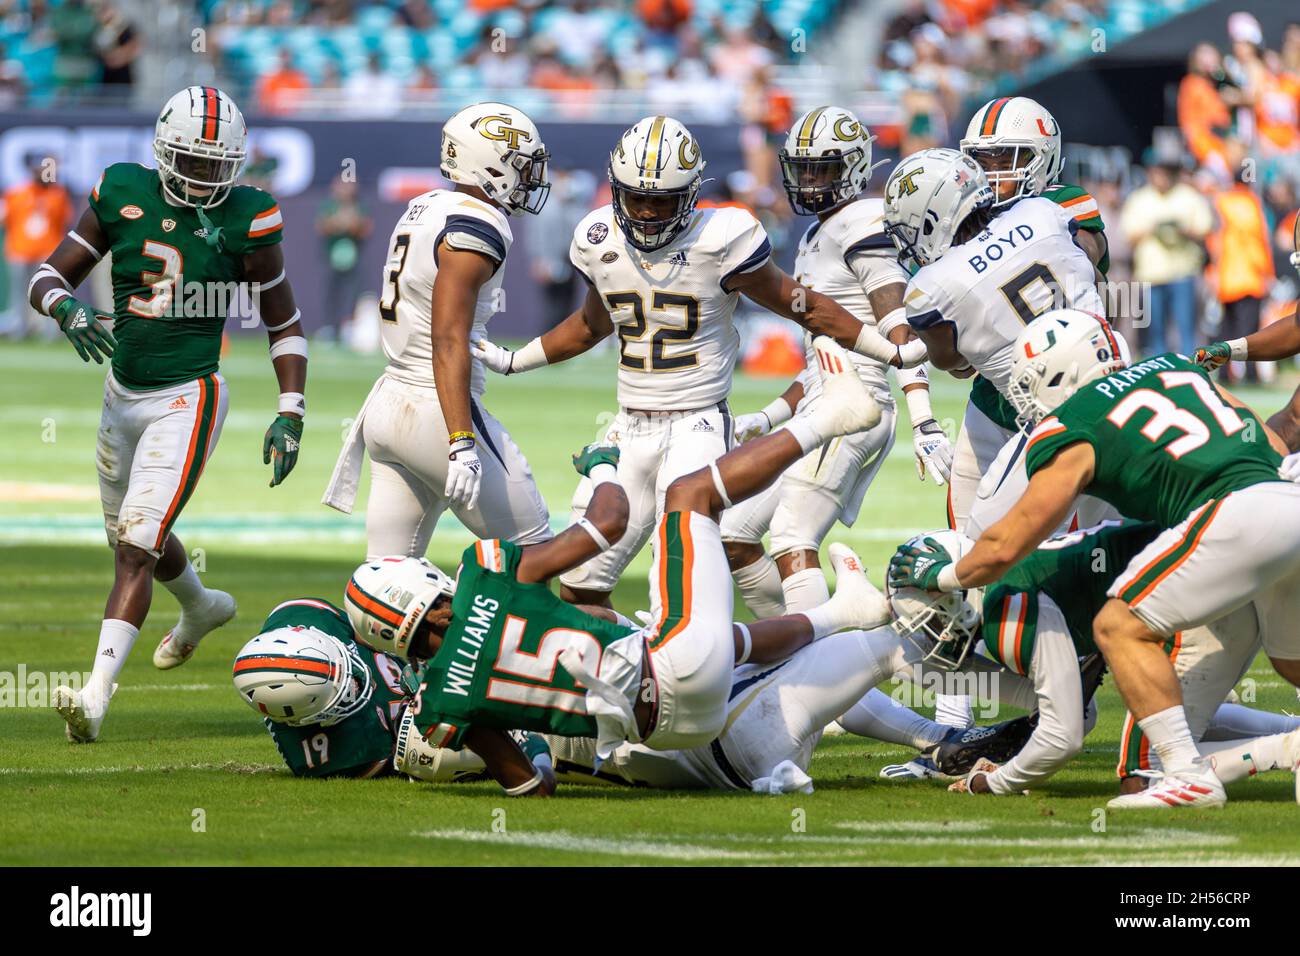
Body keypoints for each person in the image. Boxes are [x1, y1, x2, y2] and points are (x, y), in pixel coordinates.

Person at [346, 337, 893, 794]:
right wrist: (603, 467)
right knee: (689, 494)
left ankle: (842, 612)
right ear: (417, 589)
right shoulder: (487, 571)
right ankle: (829, 417)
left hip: (664, 732)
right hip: (677, 671)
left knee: (714, 638)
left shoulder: (441, 705)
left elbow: (529, 786)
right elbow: (610, 522)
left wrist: (537, 750)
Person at [472, 115, 927, 612]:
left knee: (679, 579)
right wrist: (516, 361)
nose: (645, 212)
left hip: (698, 425)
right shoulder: (598, 237)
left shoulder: (723, 237)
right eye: (636, 197)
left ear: (690, 195)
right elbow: (589, 325)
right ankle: (619, 675)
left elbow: (805, 305)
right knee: (582, 579)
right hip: (629, 425)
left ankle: (739, 663)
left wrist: (891, 352)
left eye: (661, 199)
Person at [888, 308, 1300, 809]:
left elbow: (1009, 543)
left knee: (1118, 627)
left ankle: (1191, 775)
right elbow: (1264, 432)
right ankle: (1275, 748)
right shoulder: (1173, 365)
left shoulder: (1074, 421)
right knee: (1291, 665)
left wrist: (947, 575)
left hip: (1230, 520)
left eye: (1029, 384)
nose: (1026, 400)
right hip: (1285, 496)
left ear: (1060, 372)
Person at [31, 87, 308, 742]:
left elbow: (284, 320)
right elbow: (49, 274)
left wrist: (290, 409)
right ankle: (202, 605)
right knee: (132, 540)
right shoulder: (119, 192)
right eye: (195, 160)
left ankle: (96, 696)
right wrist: (64, 308)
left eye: (219, 164)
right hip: (121, 392)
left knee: (136, 545)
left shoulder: (250, 217)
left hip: (190, 396)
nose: (208, 176)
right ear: (162, 151)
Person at [721, 106, 949, 625]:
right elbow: (822, 359)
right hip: (827, 399)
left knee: (792, 536)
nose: (809, 180)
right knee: (734, 533)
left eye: (821, 169)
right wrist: (769, 417)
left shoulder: (863, 221)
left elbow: (901, 334)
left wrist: (927, 420)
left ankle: (822, 674)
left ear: (852, 167)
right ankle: (799, 657)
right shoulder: (813, 236)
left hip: (857, 406)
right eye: (803, 168)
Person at [895, 523, 1300, 798]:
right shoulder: (1013, 577)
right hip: (1222, 579)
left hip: (1207, 599)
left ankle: (1285, 749)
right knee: (1173, 724)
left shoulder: (1009, 606)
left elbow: (1063, 737)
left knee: (1151, 769)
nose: (934, 635)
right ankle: (1291, 732)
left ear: (957, 597)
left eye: (933, 621)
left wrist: (995, 781)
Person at [323, 102, 554, 559]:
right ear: (490, 164)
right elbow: (448, 339)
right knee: (538, 553)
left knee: (386, 581)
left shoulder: (425, 207)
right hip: (435, 410)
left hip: (389, 404)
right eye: (520, 166)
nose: (528, 178)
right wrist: (461, 441)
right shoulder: (476, 223)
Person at [960, 96, 1110, 274]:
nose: (992, 178)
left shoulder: (1059, 200)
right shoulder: (968, 215)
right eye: (983, 166)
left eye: (1006, 166)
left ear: (1045, 160)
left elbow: (1082, 258)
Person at [1119, 160, 1213, 357]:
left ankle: (1190, 369)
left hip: (1182, 273)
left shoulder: (1188, 196)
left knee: (1186, 328)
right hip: (1151, 274)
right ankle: (1159, 373)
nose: (1161, 178)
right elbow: (1129, 234)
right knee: (1155, 331)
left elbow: (1205, 228)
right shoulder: (1139, 198)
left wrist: (1181, 229)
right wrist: (1154, 228)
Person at [1208, 169, 1275, 383]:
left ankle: (1225, 373)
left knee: (1226, 329)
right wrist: (1267, 273)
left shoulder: (1221, 201)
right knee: (1250, 332)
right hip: (1249, 278)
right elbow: (1258, 241)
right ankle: (1251, 375)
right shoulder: (1251, 204)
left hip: (1226, 278)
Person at [1, 154, 73, 339]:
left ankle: (49, 333)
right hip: (20, 251)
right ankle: (19, 331)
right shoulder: (16, 193)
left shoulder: (58, 194)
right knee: (18, 294)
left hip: (47, 251)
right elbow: (6, 220)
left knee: (48, 292)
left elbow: (64, 222)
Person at [314, 178, 372, 341]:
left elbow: (363, 228)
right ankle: (330, 328)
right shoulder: (329, 205)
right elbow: (323, 227)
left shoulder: (360, 206)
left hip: (354, 258)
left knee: (354, 295)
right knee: (332, 295)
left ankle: (349, 329)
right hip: (332, 258)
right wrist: (343, 223)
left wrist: (345, 223)